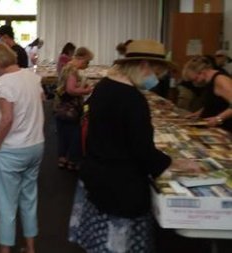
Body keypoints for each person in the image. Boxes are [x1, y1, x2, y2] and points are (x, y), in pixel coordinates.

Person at [68, 40, 198, 252]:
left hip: (97, 177)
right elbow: (143, 151)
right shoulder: (132, 99)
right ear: (144, 65)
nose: (157, 78)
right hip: (121, 188)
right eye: (157, 72)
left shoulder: (105, 86)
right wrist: (176, 163)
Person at [0, 42, 45, 253]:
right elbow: (38, 104)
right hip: (36, 144)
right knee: (29, 198)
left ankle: (5, 250)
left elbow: (7, 119)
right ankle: (30, 247)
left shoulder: (3, 84)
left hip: (12, 149)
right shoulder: (31, 76)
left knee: (6, 204)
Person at [53, 47, 93, 170]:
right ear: (81, 58)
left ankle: (62, 158)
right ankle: (72, 160)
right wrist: (86, 90)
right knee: (73, 135)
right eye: (87, 62)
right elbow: (71, 90)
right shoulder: (72, 70)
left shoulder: (66, 67)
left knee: (63, 134)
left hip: (60, 106)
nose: (87, 65)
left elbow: (66, 86)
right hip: (70, 109)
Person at [182, 56, 232, 132]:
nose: (195, 83)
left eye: (195, 79)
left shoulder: (220, 80)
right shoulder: (208, 81)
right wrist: (198, 113)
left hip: (226, 129)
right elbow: (215, 102)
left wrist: (218, 119)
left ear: (202, 72)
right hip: (214, 128)